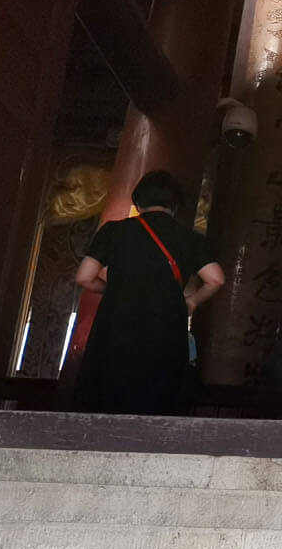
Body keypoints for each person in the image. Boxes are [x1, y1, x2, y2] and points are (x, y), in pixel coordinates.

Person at [73, 171, 225, 415]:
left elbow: (84, 277)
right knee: (159, 399)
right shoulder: (189, 239)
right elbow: (216, 279)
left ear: (138, 203)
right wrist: (192, 302)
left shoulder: (115, 231)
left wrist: (113, 290)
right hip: (165, 330)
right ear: (175, 206)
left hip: (117, 326)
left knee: (110, 395)